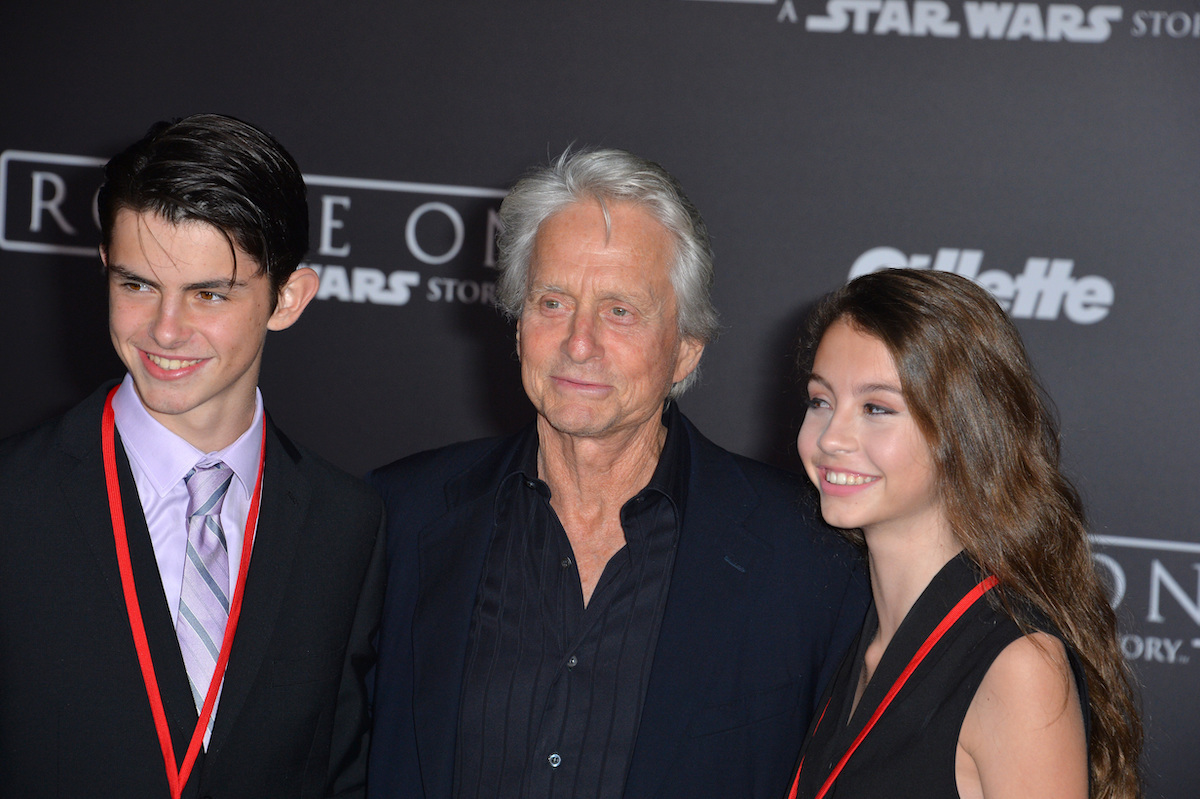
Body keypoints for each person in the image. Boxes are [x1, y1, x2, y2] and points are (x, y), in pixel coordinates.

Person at [366, 148, 868, 799]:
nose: (579, 342)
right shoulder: (395, 518)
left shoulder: (808, 558)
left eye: (620, 310)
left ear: (687, 348)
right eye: (552, 302)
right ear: (518, 330)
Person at [0, 114, 385, 798]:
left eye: (208, 293)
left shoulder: (347, 525)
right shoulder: (14, 502)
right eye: (137, 285)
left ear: (288, 298)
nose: (165, 329)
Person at [789, 268, 1142, 799]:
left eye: (877, 408)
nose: (831, 437)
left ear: (965, 430)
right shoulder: (848, 630)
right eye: (821, 400)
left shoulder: (1019, 669)